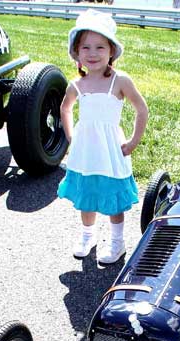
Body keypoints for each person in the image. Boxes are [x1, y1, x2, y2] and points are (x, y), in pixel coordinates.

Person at [58, 9, 149, 264]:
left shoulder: (120, 81)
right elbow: (65, 107)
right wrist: (70, 135)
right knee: (87, 192)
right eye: (85, 47)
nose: (93, 53)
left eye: (100, 47)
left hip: (110, 149)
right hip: (86, 150)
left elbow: (142, 109)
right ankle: (88, 235)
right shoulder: (77, 85)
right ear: (77, 53)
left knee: (111, 195)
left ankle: (117, 241)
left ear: (111, 51)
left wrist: (133, 141)